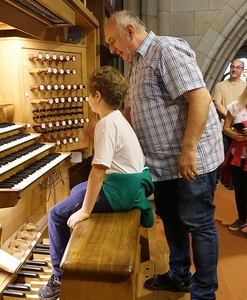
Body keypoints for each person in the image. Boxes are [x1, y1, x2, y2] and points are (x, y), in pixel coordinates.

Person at [104, 10, 224, 300]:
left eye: (112, 41)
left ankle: (205, 292)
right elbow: (139, 110)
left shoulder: (165, 49)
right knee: (171, 218)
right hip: (163, 165)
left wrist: (189, 149)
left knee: (199, 223)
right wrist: (104, 124)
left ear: (130, 30)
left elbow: (201, 98)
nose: (111, 49)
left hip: (191, 160)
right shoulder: (137, 64)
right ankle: (179, 275)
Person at [37, 65, 155, 300]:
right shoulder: (115, 118)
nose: (87, 99)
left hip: (120, 192)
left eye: (89, 94)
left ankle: (59, 277)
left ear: (97, 96)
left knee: (56, 214)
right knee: (77, 188)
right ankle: (74, 245)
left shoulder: (107, 124)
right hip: (128, 185)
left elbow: (98, 171)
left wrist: (84, 211)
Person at [212, 59, 246, 187]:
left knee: (236, 156)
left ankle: (231, 181)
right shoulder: (220, 86)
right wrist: (231, 117)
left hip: (240, 127)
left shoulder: (245, 87)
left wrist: (237, 120)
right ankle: (215, 180)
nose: (234, 69)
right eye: (232, 67)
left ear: (242, 71)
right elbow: (217, 103)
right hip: (224, 127)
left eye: (238, 67)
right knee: (221, 154)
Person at [222, 85, 247, 231]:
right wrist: (235, 135)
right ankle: (242, 217)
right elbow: (226, 127)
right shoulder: (236, 106)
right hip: (238, 155)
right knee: (240, 189)